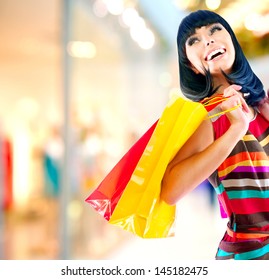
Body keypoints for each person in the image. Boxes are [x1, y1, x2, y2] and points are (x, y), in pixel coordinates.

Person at [160, 10, 269, 260]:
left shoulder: (261, 104)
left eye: (214, 30)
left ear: (232, 40)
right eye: (193, 40)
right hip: (252, 257)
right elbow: (170, 190)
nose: (207, 39)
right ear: (191, 65)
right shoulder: (208, 116)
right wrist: (235, 131)